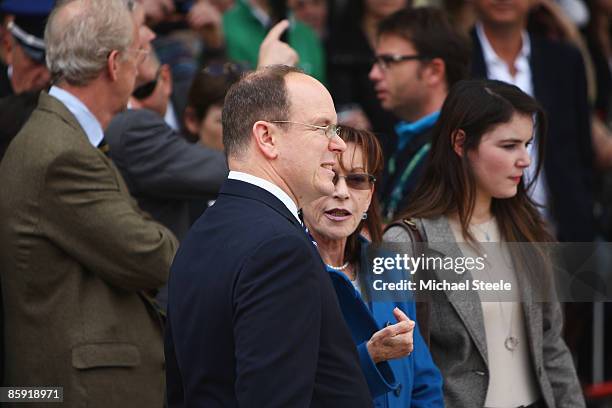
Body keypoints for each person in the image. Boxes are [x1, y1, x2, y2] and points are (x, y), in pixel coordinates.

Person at [0, 0, 178, 405]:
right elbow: (153, 254)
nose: (139, 65)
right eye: (136, 55)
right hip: (74, 393)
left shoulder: (61, 138)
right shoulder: (61, 153)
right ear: (115, 65)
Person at [165, 65, 373, 407]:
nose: (338, 144)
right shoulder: (279, 250)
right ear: (267, 138)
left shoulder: (201, 233)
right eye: (323, 128)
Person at [384, 79, 585, 408]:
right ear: (460, 143)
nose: (525, 160)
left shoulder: (531, 229)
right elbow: (396, 369)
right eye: (509, 146)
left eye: (527, 144)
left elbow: (551, 346)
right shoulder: (403, 243)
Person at [302, 126, 444, 407]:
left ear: (370, 194)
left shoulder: (389, 265)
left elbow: (424, 382)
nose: (341, 192)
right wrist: (371, 356)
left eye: (356, 180)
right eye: (330, 175)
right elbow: (298, 391)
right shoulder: (287, 273)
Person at [470, 0, 594, 243]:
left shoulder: (564, 60)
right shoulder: (456, 58)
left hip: (563, 233)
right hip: (483, 236)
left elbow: (581, 150)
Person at [368, 7, 471, 220]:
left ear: (434, 71)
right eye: (376, 62)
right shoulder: (402, 139)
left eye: (389, 61)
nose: (374, 74)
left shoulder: (459, 151)